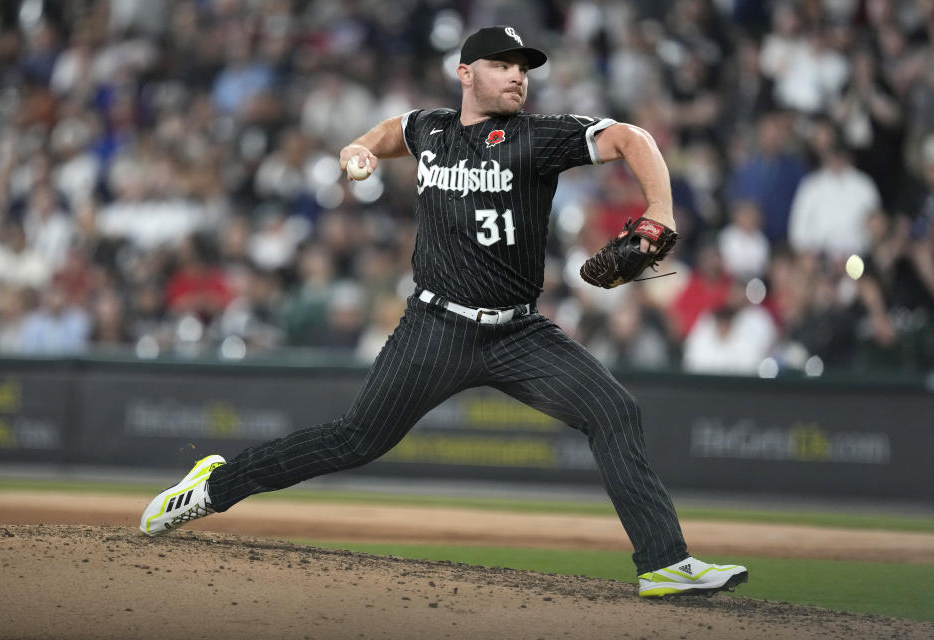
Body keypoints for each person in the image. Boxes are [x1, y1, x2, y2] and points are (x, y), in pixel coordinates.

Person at [139, 26, 748, 599]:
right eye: (501, 66)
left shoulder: (537, 137)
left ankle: (665, 564)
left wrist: (660, 207)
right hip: (436, 328)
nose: (517, 77)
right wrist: (359, 147)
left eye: (522, 68)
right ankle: (213, 487)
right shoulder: (431, 129)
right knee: (354, 441)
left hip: (517, 331)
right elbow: (389, 131)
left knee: (614, 410)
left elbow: (630, 138)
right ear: (465, 74)